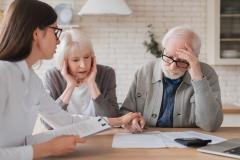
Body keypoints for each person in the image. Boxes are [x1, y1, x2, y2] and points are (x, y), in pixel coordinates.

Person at [0, 1, 144, 159]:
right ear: (36, 34)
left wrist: (118, 121)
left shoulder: (32, 79)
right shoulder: (3, 73)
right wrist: (46, 149)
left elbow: (65, 121)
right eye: (55, 31)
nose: (58, 40)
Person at [120, 25, 223, 132]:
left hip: (189, 142)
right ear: (163, 50)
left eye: (182, 61)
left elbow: (211, 125)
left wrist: (198, 78)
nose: (172, 67)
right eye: (168, 57)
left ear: (194, 58)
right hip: (147, 136)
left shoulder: (207, 73)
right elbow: (125, 112)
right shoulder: (144, 71)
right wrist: (132, 119)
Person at [42, 30, 119, 118]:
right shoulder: (52, 77)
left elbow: (114, 117)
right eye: (75, 60)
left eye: (86, 57)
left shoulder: (106, 73)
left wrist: (92, 84)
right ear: (64, 62)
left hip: (100, 132)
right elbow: (47, 123)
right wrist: (70, 86)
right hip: (67, 132)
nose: (83, 65)